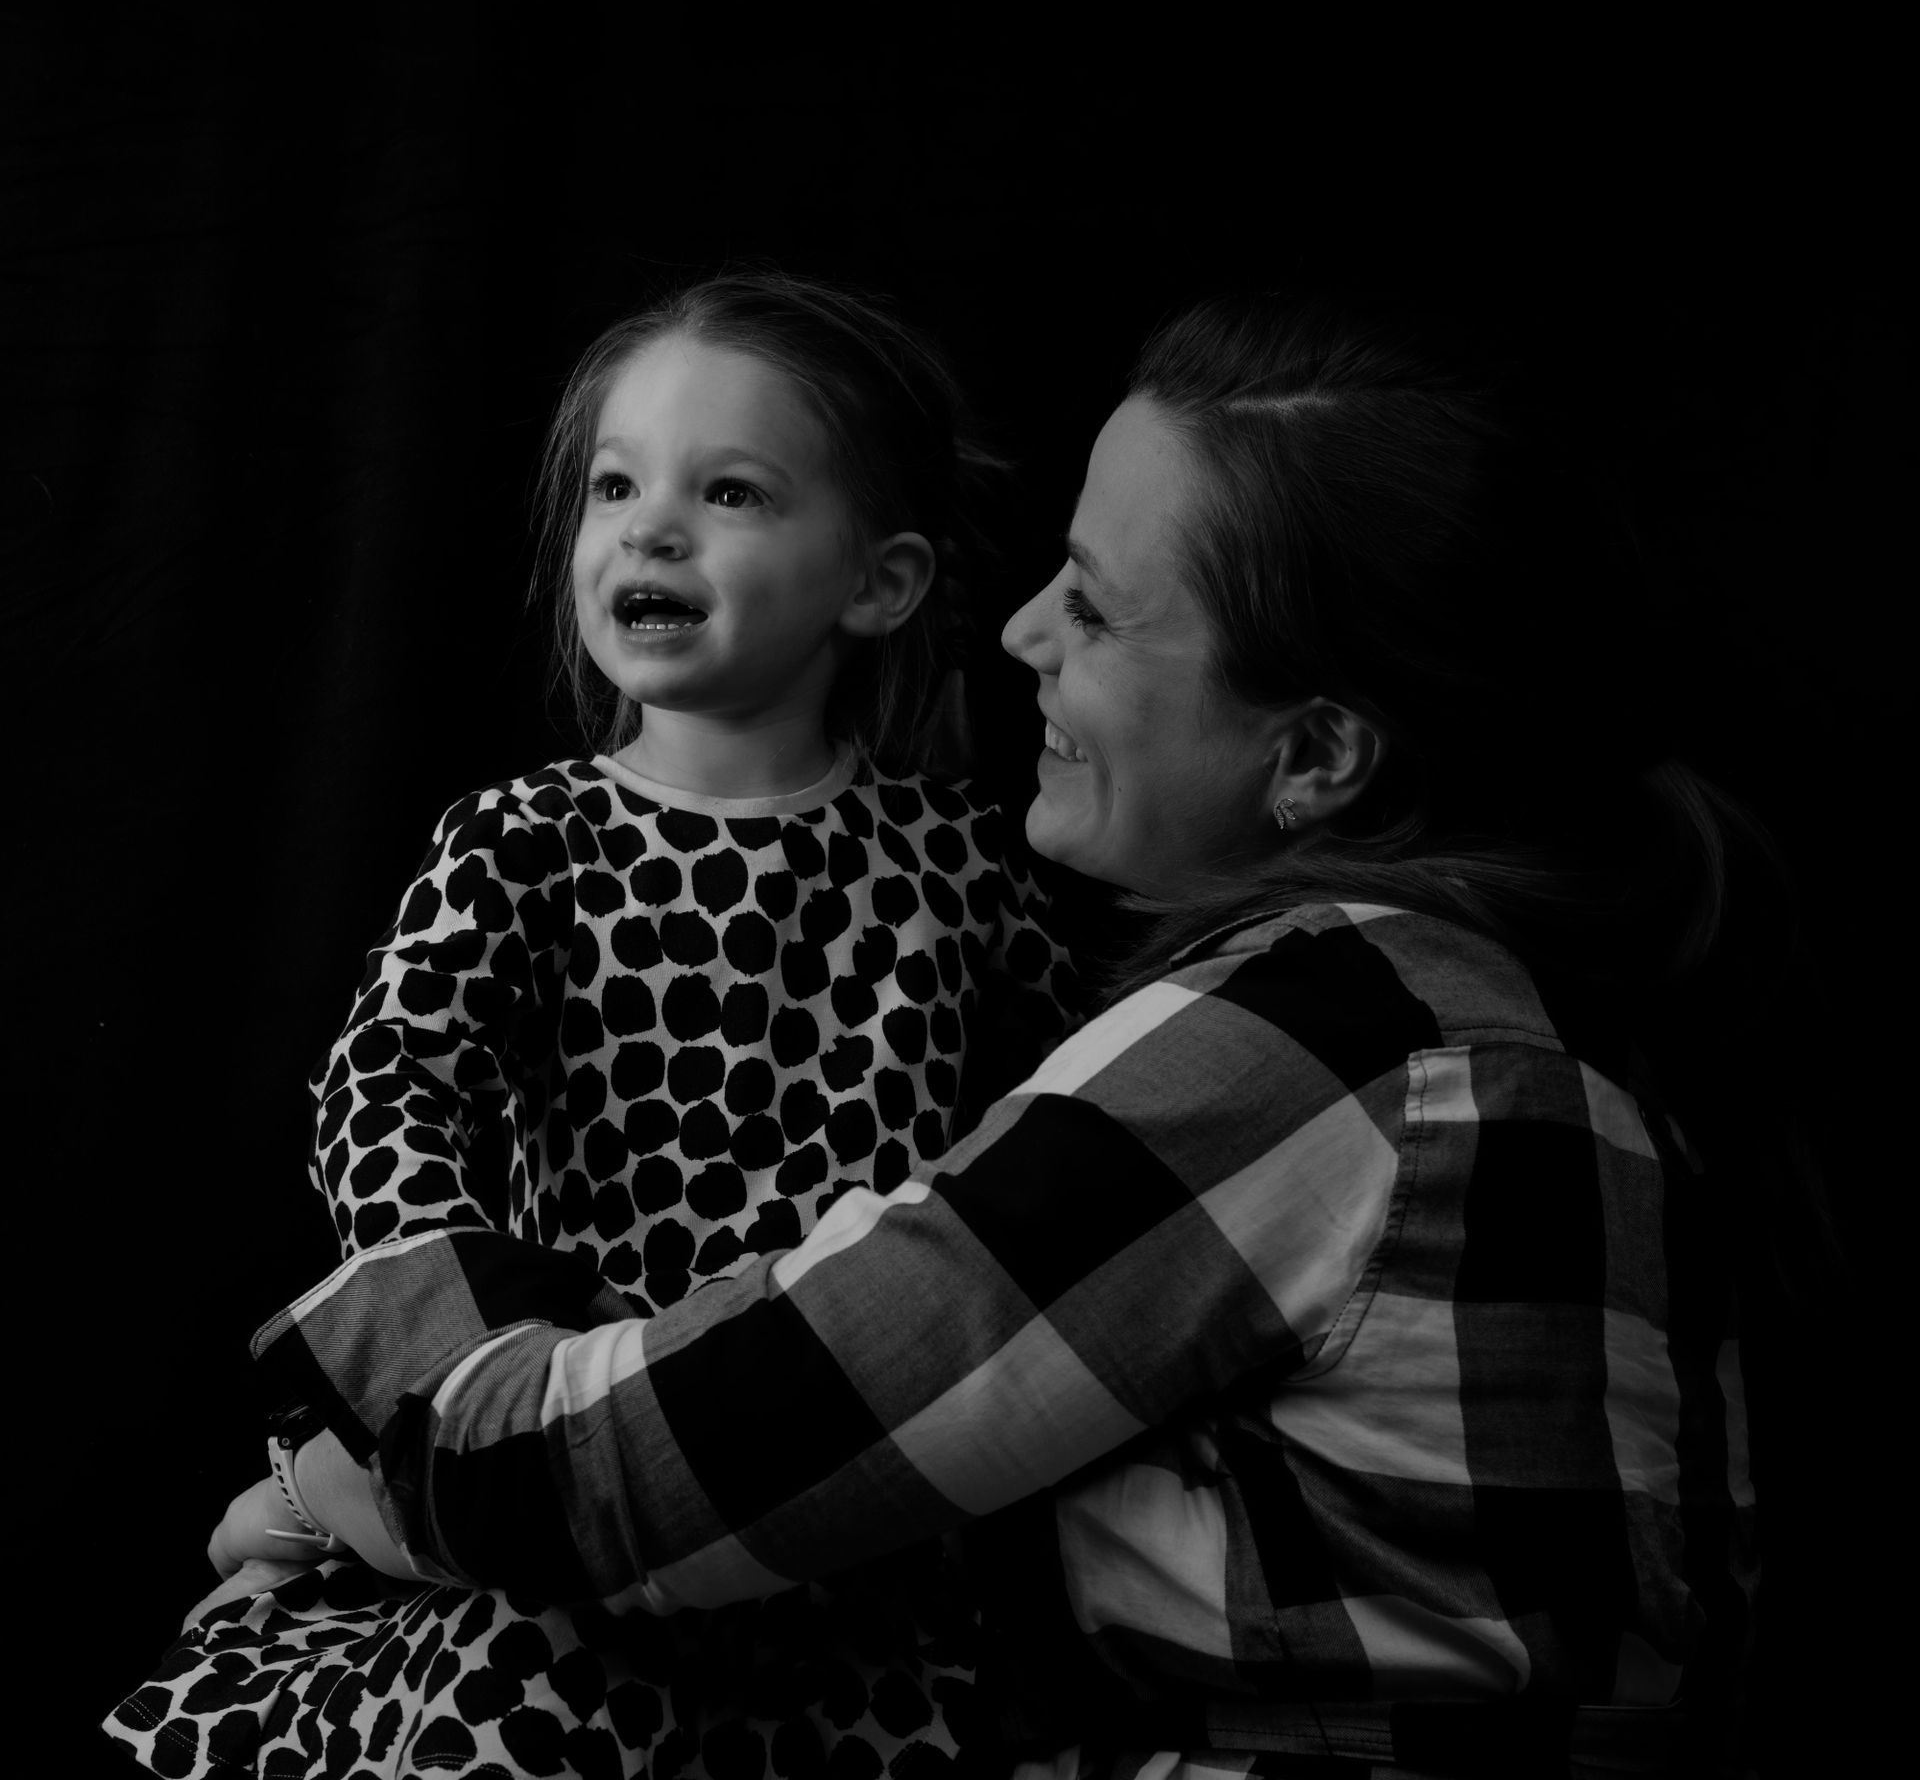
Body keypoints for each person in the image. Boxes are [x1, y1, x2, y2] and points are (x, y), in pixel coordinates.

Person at [130, 291, 1761, 1780]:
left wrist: (336, 1488)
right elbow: (404, 1082)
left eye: (1102, 615)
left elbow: (601, 1481)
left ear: (1317, 754)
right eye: (618, 487)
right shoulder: (1510, 1023)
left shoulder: (1317, 1038)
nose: (1020, 636)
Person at [105, 272, 1077, 1780]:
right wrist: (466, 1362)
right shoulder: (532, 836)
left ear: (878, 585)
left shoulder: (957, 857)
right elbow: (387, 1075)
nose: (652, 528)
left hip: (830, 1455)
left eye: (732, 491)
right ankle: (337, 1494)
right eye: (617, 485)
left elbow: (1080, 1094)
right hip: (582, 1440)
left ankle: (323, 1496)